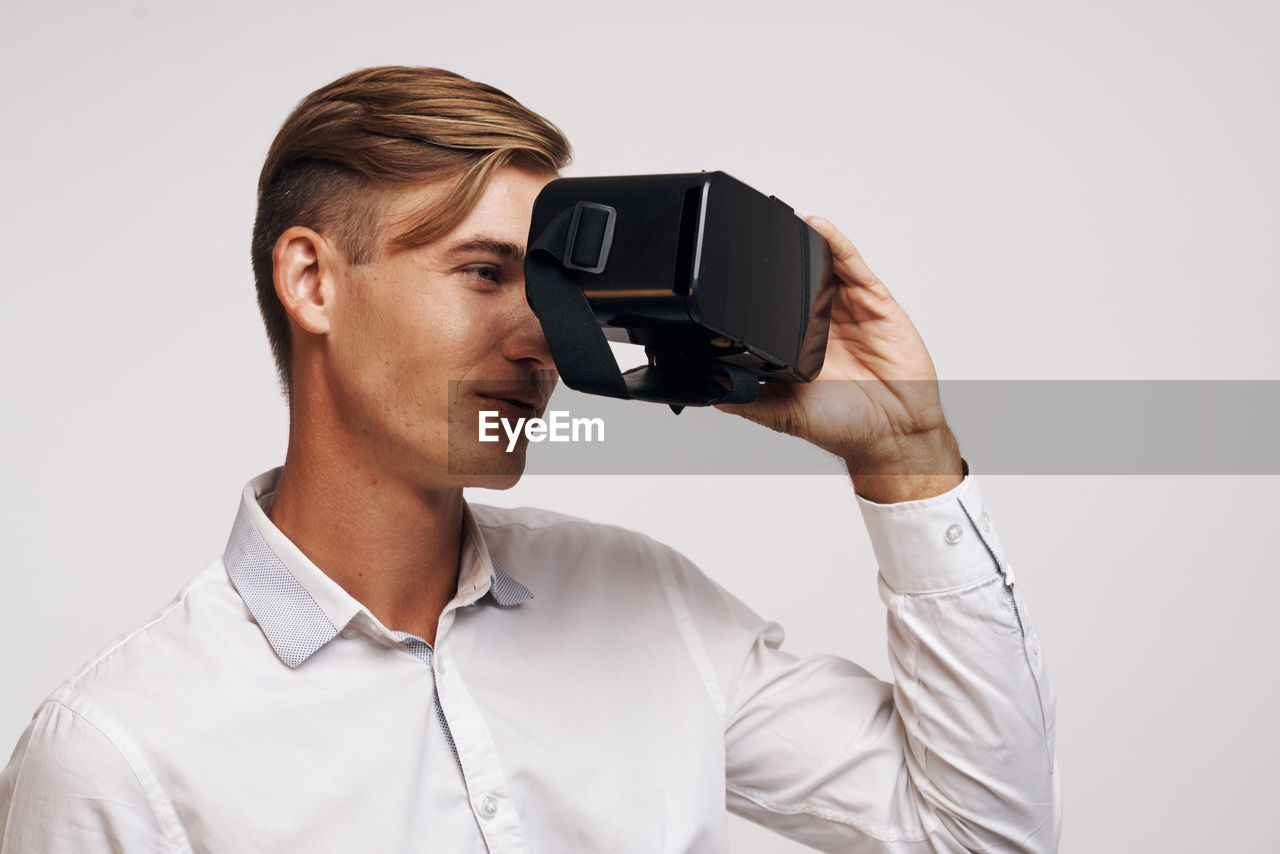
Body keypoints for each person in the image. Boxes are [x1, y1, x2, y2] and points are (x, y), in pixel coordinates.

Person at [0, 66, 1061, 853]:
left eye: (547, 286)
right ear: (313, 282)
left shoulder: (646, 604)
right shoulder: (117, 754)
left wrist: (903, 449)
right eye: (481, 272)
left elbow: (981, 835)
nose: (542, 336)